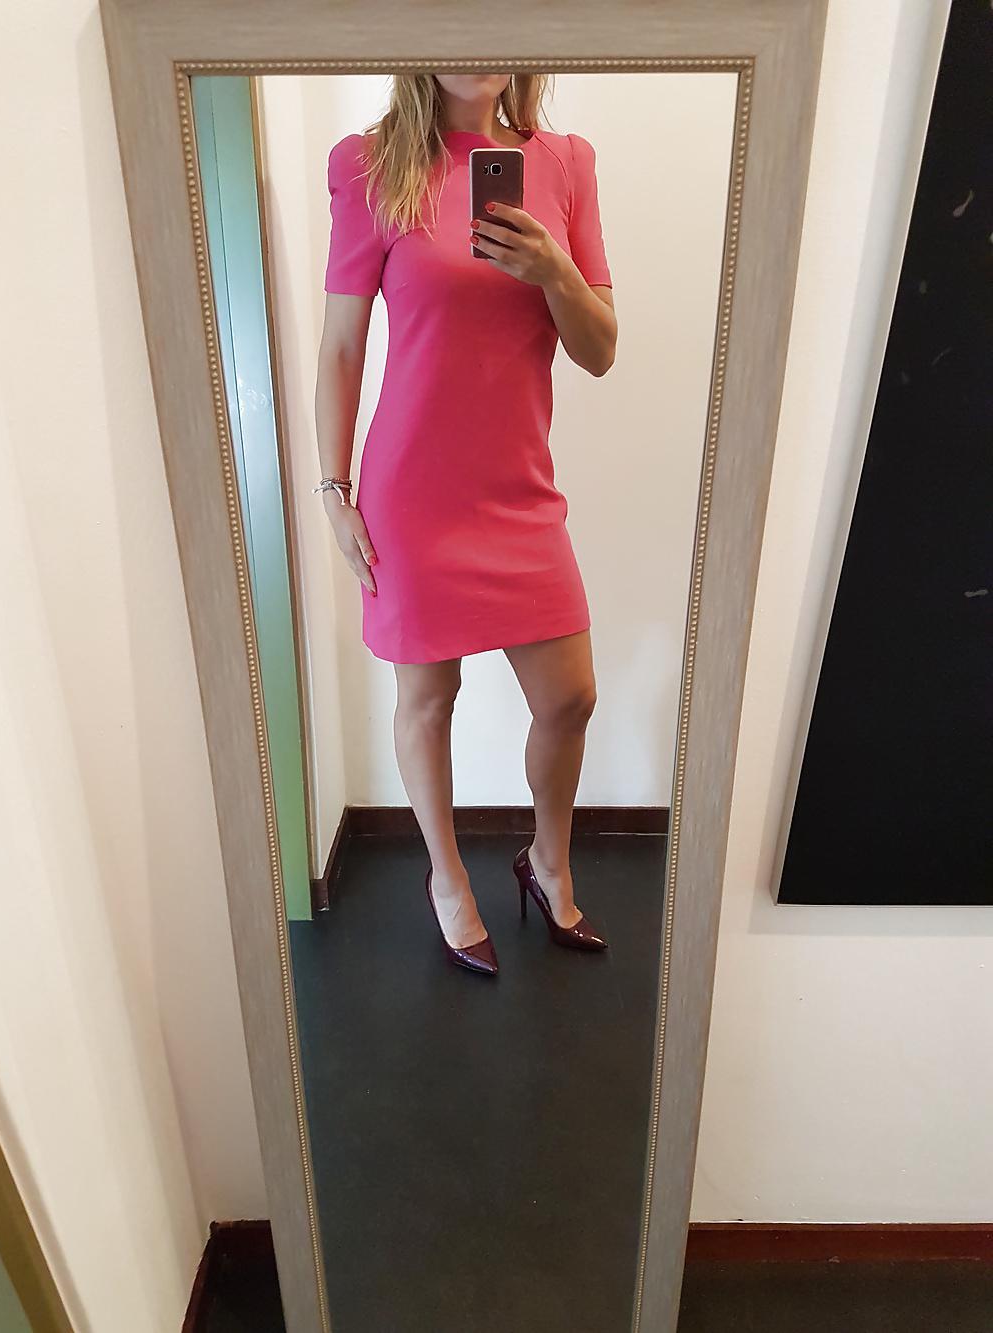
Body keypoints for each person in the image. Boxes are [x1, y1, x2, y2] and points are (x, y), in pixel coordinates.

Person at [314, 73, 617, 976]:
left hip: (520, 489)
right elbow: (342, 344)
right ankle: (447, 877)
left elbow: (599, 350)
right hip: (412, 492)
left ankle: (547, 861)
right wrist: (333, 488)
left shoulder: (564, 164)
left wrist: (553, 269)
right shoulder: (370, 166)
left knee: (569, 697)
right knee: (426, 699)